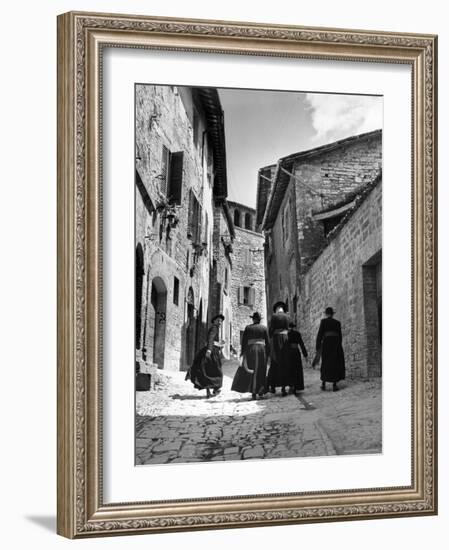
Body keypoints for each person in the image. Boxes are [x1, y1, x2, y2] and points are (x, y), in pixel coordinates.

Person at [231, 312, 270, 400]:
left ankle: (253, 392)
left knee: (251, 370)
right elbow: (268, 342)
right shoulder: (264, 328)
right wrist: (268, 354)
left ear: (253, 319)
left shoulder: (248, 328)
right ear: (260, 320)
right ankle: (260, 391)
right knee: (261, 370)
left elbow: (244, 342)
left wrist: (242, 353)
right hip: (261, 350)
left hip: (251, 350)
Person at [185, 313, 225, 398]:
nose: (220, 322)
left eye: (221, 321)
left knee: (207, 371)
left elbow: (213, 340)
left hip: (212, 350)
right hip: (212, 352)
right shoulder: (214, 328)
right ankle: (215, 389)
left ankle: (209, 392)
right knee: (217, 371)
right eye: (218, 320)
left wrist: (219, 345)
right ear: (214, 321)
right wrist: (209, 350)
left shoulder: (215, 328)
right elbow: (210, 339)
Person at [315, 307, 345, 391]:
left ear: (326, 314)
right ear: (332, 314)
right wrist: (339, 345)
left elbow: (320, 334)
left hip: (327, 344)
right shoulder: (337, 323)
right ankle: (334, 385)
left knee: (325, 363)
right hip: (335, 344)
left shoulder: (323, 322)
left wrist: (318, 346)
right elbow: (340, 336)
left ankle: (323, 384)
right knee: (335, 363)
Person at [267, 301, 290, 396]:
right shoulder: (287, 317)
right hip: (285, 339)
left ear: (276, 309)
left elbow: (271, 330)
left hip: (276, 340)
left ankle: (273, 387)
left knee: (274, 361)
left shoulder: (274, 317)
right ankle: (284, 387)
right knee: (284, 362)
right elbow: (288, 328)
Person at [287, 322, 308, 394]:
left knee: (290, 369)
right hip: (296, 352)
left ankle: (291, 385)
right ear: (294, 327)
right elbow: (301, 344)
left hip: (289, 353)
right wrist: (305, 355)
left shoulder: (287, 334)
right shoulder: (297, 334)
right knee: (296, 369)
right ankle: (296, 386)